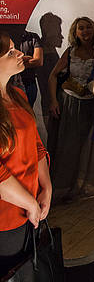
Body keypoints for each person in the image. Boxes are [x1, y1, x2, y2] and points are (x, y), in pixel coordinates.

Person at [0, 31, 51, 276]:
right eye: (10, 52)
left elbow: (37, 146)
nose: (21, 53)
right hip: (6, 215)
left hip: (30, 208)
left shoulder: (18, 95)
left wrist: (47, 188)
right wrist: (29, 202)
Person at [47, 16, 94, 200]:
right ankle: (62, 188)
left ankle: (83, 186)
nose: (85, 31)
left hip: (92, 103)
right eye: (81, 28)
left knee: (88, 146)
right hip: (70, 103)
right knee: (67, 145)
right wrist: (54, 101)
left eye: (88, 27)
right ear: (75, 32)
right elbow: (53, 76)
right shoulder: (70, 52)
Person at [14, 30, 43, 108]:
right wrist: (26, 58)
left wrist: (14, 63)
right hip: (8, 84)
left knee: (27, 115)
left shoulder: (33, 37)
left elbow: (38, 61)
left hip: (28, 83)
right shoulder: (4, 37)